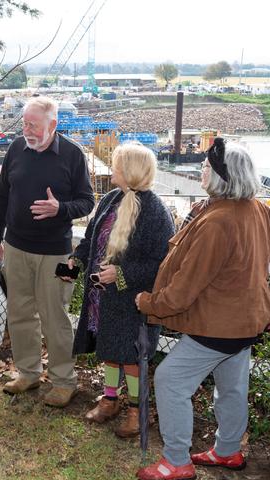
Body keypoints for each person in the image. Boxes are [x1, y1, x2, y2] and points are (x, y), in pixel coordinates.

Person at [135, 138, 270, 480]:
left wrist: (148, 303)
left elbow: (184, 289)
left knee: (171, 380)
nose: (201, 169)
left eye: (206, 166)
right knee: (232, 387)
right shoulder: (258, 210)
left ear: (222, 176)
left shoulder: (217, 221)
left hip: (218, 326)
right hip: (248, 322)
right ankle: (227, 451)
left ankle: (176, 460)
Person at [0, 96, 95, 408]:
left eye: (33, 125)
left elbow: (87, 201)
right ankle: (28, 372)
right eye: (25, 123)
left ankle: (64, 381)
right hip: (16, 247)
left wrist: (59, 208)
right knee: (19, 312)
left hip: (57, 254)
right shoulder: (16, 149)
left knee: (55, 318)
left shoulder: (73, 154)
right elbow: (2, 195)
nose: (27, 130)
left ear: (53, 125)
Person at [69, 143, 174, 436]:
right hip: (103, 296)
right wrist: (76, 258)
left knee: (133, 359)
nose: (111, 170)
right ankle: (111, 400)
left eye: (115, 165)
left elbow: (163, 263)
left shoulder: (155, 211)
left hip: (134, 301)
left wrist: (122, 274)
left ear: (129, 171)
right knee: (111, 351)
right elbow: (92, 237)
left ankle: (137, 413)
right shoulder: (111, 199)